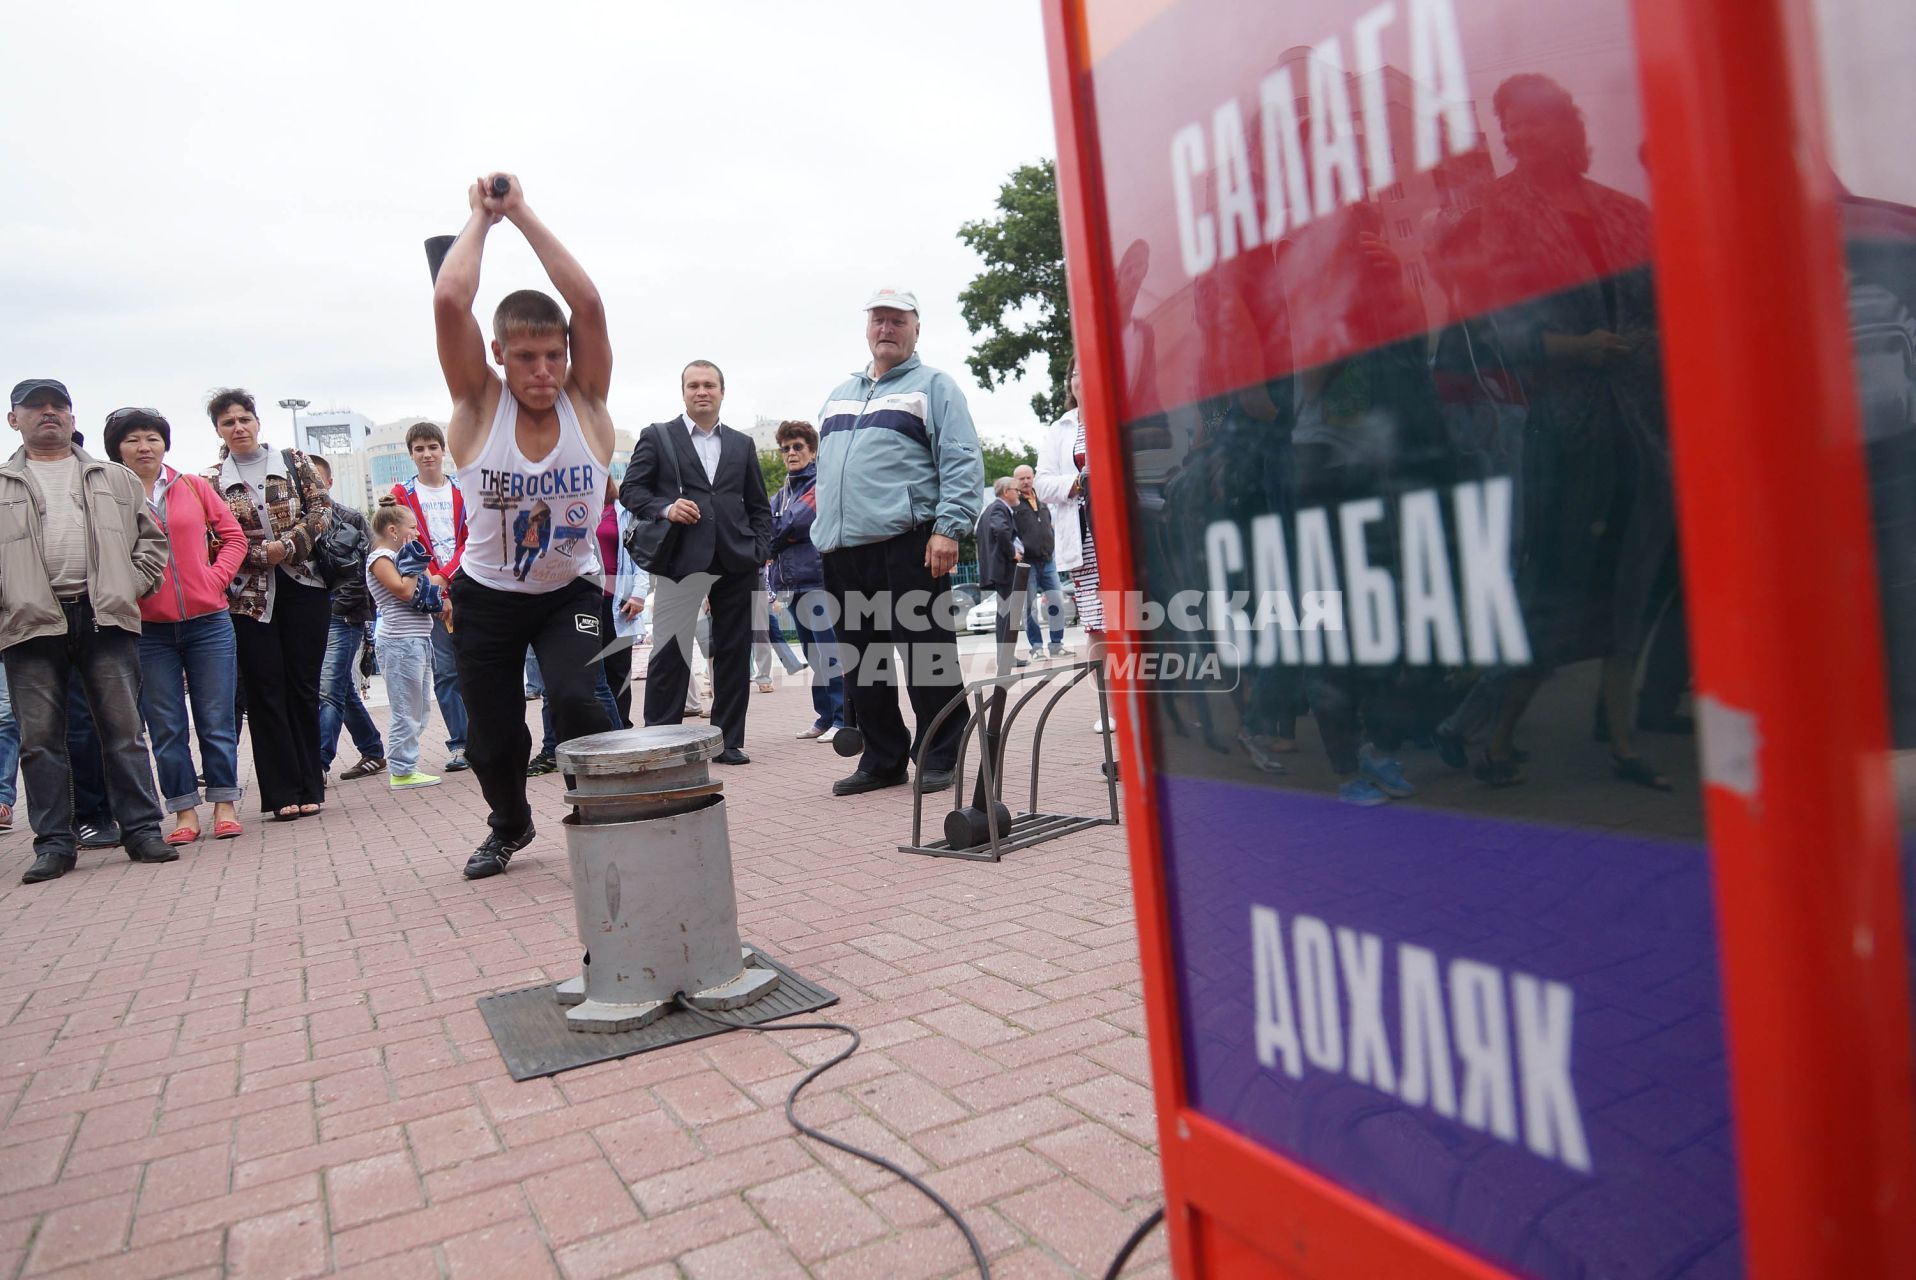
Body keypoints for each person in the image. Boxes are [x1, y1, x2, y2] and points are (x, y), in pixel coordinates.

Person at [433, 172, 616, 879]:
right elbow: (451, 299)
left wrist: (525, 213)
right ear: (499, 358)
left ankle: (605, 802)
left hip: (567, 592)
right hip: (486, 600)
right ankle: (509, 823)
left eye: (555, 355)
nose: (544, 371)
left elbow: (588, 302)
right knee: (494, 738)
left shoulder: (587, 402)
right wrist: (482, 217)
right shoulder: (479, 407)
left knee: (576, 696)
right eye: (527, 357)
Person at [2, 378, 176, 883]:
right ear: (15, 419)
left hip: (104, 616)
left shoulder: (113, 477)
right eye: (36, 408)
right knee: (39, 742)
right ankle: (54, 843)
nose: (49, 414)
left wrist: (129, 586)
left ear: (73, 419)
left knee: (124, 732)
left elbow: (152, 541)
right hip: (30, 623)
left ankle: (142, 830)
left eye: (59, 407)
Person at [814, 288, 984, 795]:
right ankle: (882, 759)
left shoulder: (935, 386)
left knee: (927, 653)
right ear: (867, 328)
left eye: (897, 320)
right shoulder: (839, 392)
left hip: (910, 542)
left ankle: (941, 754)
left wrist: (949, 527)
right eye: (878, 320)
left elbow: (960, 458)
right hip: (844, 549)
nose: (886, 328)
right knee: (863, 661)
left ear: (916, 328)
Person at [106, 407, 248, 844]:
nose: (144, 446)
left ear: (165, 442)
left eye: (151, 437)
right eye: (132, 439)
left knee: (216, 717)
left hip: (209, 623)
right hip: (148, 630)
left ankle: (224, 804)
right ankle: (184, 811)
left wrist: (215, 578)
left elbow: (234, 537)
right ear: (117, 449)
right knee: (165, 724)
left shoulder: (193, 486)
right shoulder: (108, 495)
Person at [621, 360, 772, 765]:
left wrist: (759, 547)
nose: (701, 391)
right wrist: (666, 507)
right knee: (670, 650)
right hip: (679, 560)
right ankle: (661, 738)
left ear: (722, 392)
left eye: (709, 385)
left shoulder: (741, 444)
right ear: (683, 392)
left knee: (733, 650)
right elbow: (630, 491)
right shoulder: (658, 436)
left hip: (736, 559)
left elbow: (758, 504)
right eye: (693, 385)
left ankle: (728, 740)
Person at [202, 388, 335, 820]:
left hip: (304, 586)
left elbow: (320, 510)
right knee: (264, 692)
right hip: (247, 598)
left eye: (244, 418)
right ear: (218, 430)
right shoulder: (210, 481)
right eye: (228, 422)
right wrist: (259, 555)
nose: (238, 427)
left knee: (302, 687)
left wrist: (289, 546)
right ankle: (280, 794)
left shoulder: (293, 462)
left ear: (258, 422)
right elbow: (212, 538)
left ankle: (310, 784)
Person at [388, 422, 471, 771]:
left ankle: (492, 738)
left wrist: (446, 576)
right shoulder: (402, 493)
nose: (427, 454)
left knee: (484, 666)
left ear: (443, 450)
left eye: (433, 447)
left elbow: (474, 537)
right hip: (428, 592)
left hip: (468, 583)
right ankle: (461, 743)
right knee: (447, 672)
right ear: (411, 454)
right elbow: (406, 543)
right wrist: (434, 584)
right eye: (419, 449)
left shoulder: (463, 489)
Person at [1035, 357, 1107, 732]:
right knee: (1097, 625)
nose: (1082, 378)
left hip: (1117, 534)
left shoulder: (1116, 415)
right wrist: (1078, 481)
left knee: (1130, 618)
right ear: (1070, 383)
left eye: (1089, 371)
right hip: (1084, 542)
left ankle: (1142, 702)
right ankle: (1108, 705)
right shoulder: (1060, 430)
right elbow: (1042, 484)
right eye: (1076, 373)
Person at [309, 455, 387, 782]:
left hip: (343, 614)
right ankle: (372, 749)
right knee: (340, 688)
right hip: (309, 618)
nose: (309, 487)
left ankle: (318, 764)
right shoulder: (296, 525)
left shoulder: (351, 518)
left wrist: (345, 610)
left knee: (328, 688)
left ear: (328, 483)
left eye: (315, 481)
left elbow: (368, 569)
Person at [767, 419, 845, 740]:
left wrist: (776, 534)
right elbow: (767, 533)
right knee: (813, 654)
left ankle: (843, 718)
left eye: (798, 447)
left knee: (831, 652)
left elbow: (793, 522)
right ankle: (824, 717)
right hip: (791, 586)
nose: (791, 453)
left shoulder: (819, 485)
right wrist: (775, 535)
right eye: (786, 448)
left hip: (818, 581)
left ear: (812, 451)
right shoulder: (781, 492)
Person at [367, 498, 448, 789]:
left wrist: (421, 565)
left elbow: (429, 587)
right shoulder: (381, 558)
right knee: (406, 708)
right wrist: (415, 567)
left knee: (419, 708)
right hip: (399, 642)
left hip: (416, 639)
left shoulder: (399, 555)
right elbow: (403, 590)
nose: (416, 533)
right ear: (393, 530)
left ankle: (405, 766)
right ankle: (402, 770)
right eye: (412, 528)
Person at [1011, 465, 1068, 659]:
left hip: (1048, 560)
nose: (1026, 481)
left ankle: (1056, 644)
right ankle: (1036, 647)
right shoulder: (1014, 504)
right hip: (1027, 564)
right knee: (1030, 608)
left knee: (1057, 603)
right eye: (1021, 479)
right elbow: (1008, 532)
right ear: (1015, 482)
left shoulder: (1043, 499)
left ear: (1033, 478)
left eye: (1028, 477)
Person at [975, 476, 1027, 668]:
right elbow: (1001, 531)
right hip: (1005, 569)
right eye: (1016, 489)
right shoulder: (998, 508)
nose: (1019, 493)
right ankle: (1005, 657)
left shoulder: (991, 509)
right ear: (1006, 492)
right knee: (1008, 614)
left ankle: (1006, 657)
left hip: (998, 570)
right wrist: (1013, 552)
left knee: (1005, 614)